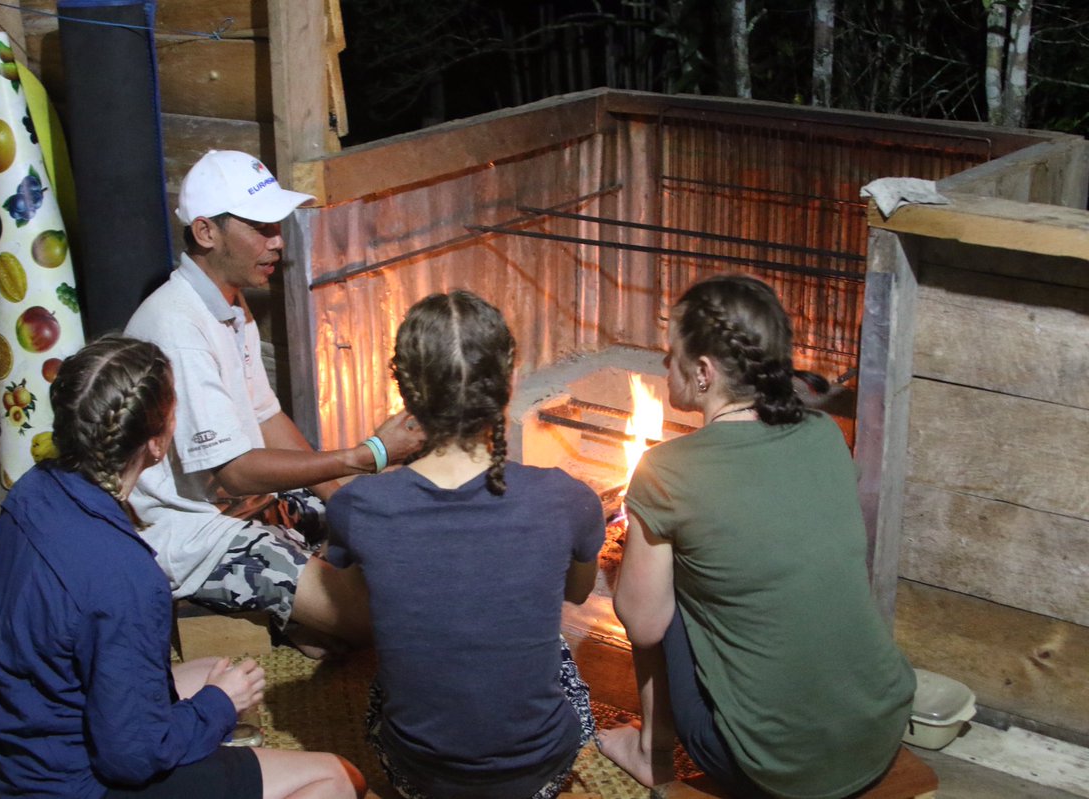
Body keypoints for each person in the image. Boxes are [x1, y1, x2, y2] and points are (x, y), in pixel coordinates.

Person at [0, 335, 367, 799]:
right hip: (73, 785)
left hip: (12, 762)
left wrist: (213, 698)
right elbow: (132, 758)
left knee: (210, 670)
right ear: (157, 444)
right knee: (337, 777)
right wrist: (220, 707)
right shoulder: (127, 576)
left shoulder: (29, 493)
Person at [598, 275, 916, 799]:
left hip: (770, 764)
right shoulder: (825, 435)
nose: (663, 366)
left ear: (703, 372)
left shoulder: (667, 469)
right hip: (878, 730)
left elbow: (643, 622)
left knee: (655, 592)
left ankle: (652, 753)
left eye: (669, 355)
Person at [124, 150, 425, 653]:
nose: (277, 241)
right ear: (206, 232)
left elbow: (265, 415)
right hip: (193, 528)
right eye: (262, 228)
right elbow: (234, 473)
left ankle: (301, 613)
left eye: (277, 226)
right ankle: (295, 608)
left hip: (248, 503)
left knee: (385, 518)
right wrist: (367, 455)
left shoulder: (229, 302)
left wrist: (345, 496)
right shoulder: (177, 326)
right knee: (383, 620)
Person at [324, 291, 607, 799]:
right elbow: (578, 594)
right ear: (510, 384)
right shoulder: (569, 498)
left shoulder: (358, 505)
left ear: (406, 398)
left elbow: (361, 604)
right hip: (537, 770)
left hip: (420, 774)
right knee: (555, 646)